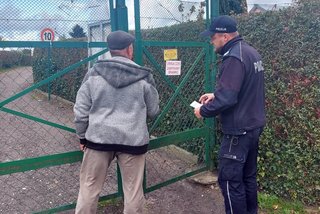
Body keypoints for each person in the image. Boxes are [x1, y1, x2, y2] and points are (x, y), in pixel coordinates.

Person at [73, 30, 159, 214]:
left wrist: (82, 137)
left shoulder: (93, 74)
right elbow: (153, 111)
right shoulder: (144, 76)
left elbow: (80, 112)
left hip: (98, 140)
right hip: (133, 141)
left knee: (89, 188)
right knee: (133, 193)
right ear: (129, 49)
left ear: (110, 50)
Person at [194, 15, 266, 214]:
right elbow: (242, 89)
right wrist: (215, 94)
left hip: (238, 132)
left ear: (225, 36)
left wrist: (204, 110)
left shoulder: (233, 57)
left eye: (213, 37)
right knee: (247, 177)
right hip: (253, 126)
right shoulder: (251, 52)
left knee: (229, 181)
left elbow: (228, 99)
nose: (211, 41)